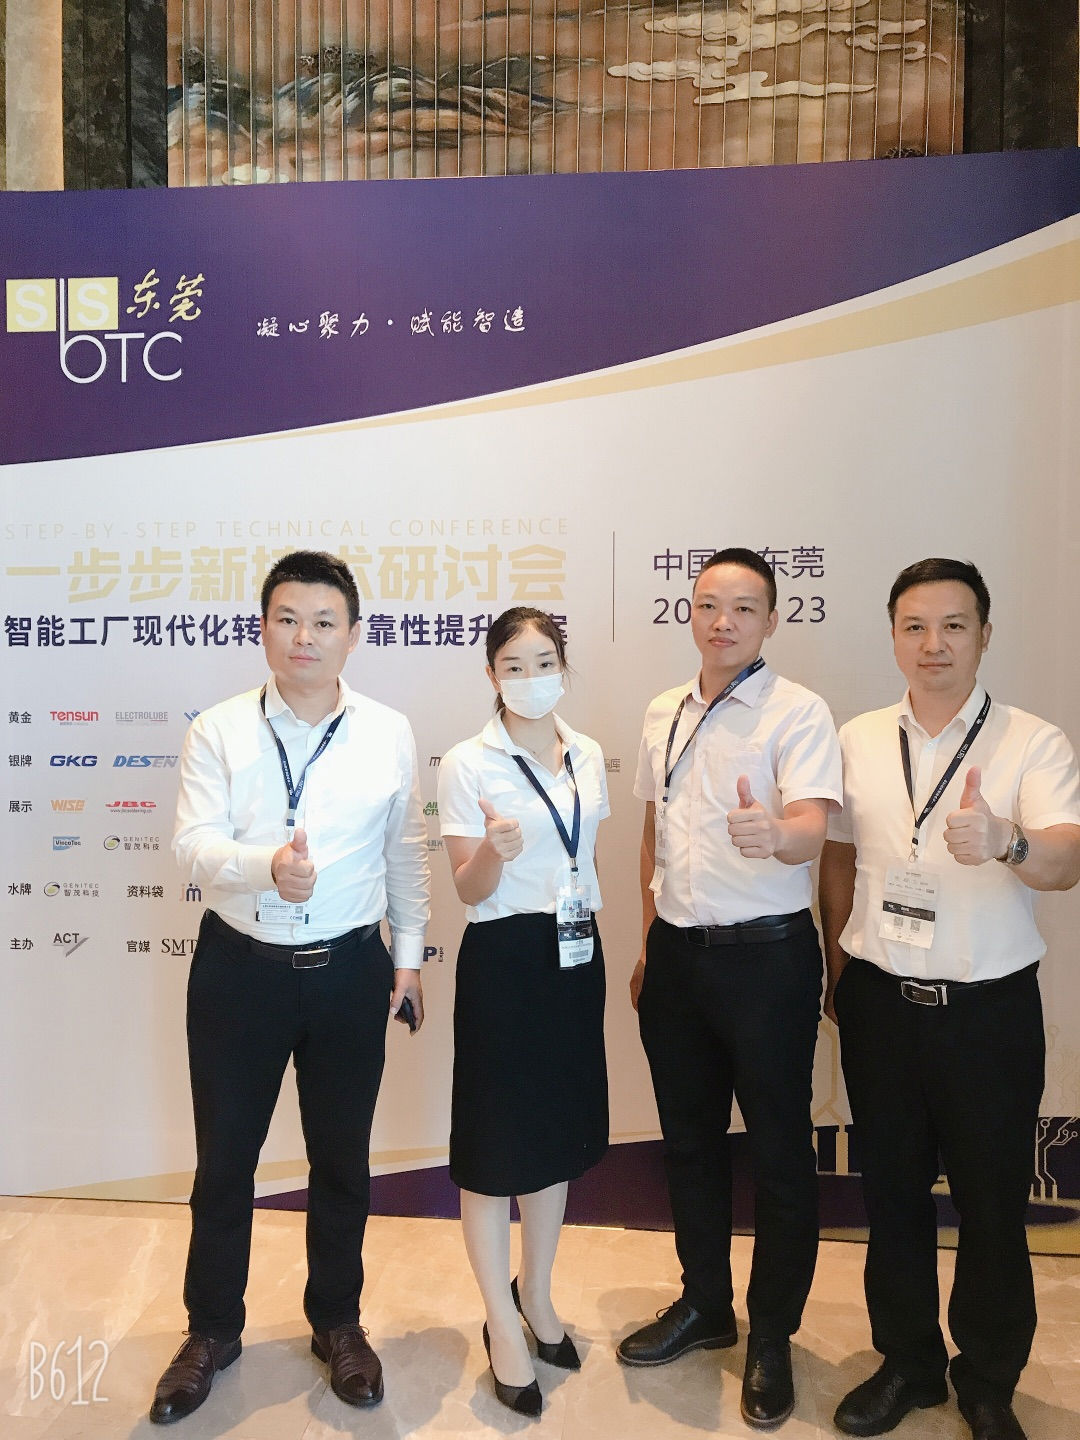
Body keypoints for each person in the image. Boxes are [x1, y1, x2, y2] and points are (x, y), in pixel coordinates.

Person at [149, 550, 430, 1424]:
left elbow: (403, 852)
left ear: (353, 634)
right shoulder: (221, 729)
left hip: (349, 970)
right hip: (241, 970)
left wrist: (408, 958)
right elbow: (192, 843)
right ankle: (210, 1330)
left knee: (342, 1159)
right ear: (263, 627)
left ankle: (337, 1321)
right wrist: (264, 866)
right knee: (224, 1162)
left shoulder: (387, 731)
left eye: (322, 621)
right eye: (287, 619)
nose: (303, 636)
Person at [819, 558, 1080, 1440]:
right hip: (881, 1004)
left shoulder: (1032, 741)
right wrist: (837, 965)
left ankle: (989, 1379)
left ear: (984, 635)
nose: (934, 644)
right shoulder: (858, 738)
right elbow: (839, 855)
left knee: (992, 1202)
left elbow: (1065, 861)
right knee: (891, 1195)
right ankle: (908, 1363)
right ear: (894, 637)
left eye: (954, 626)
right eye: (916, 627)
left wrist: (1009, 841)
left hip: (987, 1014)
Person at [619, 547, 842, 1430]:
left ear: (772, 620)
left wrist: (774, 835)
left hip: (768, 962)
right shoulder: (662, 711)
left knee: (781, 1154)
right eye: (709, 604)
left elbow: (813, 827)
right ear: (691, 613)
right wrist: (649, 939)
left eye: (744, 608)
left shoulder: (799, 711)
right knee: (689, 1143)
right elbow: (652, 832)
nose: (723, 622)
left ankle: (772, 1335)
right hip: (677, 959)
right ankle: (706, 1305)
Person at [436, 606, 609, 1419]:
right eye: (514, 664)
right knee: (493, 1143)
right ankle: (501, 1323)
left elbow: (583, 855)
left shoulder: (588, 754)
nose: (531, 678)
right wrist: (490, 856)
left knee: (554, 1134)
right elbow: (465, 889)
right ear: (491, 673)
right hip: (503, 958)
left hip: (574, 950)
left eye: (544, 663)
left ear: (563, 668)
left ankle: (535, 1292)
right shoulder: (468, 762)